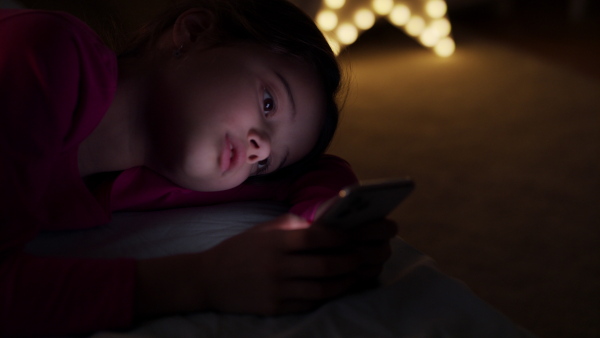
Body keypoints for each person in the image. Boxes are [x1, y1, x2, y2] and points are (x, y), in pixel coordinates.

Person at [0, 0, 397, 336]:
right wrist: (201, 279)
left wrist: (328, 217)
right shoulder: (44, 52)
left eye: (266, 163)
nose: (259, 150)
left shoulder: (161, 173)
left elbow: (316, 172)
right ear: (192, 32)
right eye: (269, 102)